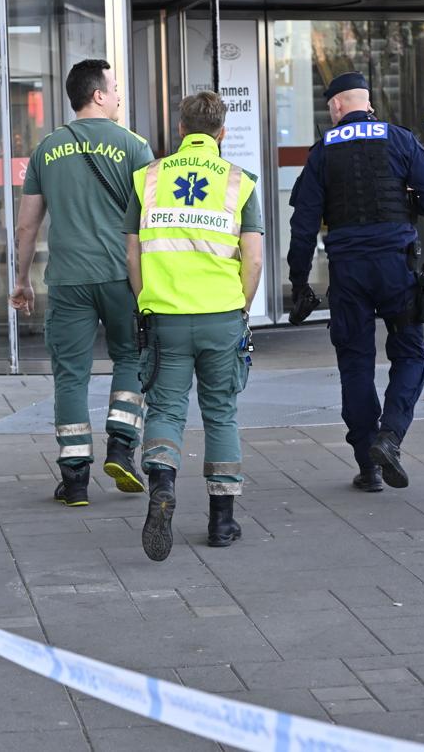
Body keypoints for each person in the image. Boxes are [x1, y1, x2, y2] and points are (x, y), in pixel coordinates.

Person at [286, 72, 424, 492]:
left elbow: (303, 225)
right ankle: (390, 437)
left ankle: (369, 466)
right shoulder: (400, 139)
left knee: (355, 364)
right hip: (397, 267)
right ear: (368, 103)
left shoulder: (323, 151)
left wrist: (299, 281)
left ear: (337, 106)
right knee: (411, 355)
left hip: (349, 272)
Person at [124, 92, 265, 562]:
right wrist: (241, 308)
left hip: (165, 316)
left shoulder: (147, 178)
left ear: (180, 129)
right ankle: (222, 523)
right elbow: (255, 257)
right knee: (220, 412)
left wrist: (147, 301)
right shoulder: (240, 183)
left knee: (164, 409)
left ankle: (162, 485)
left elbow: (133, 253)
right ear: (222, 132)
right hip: (221, 316)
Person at [10, 59, 155, 507]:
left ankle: (74, 478)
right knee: (130, 358)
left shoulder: (47, 149)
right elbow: (150, 223)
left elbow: (26, 227)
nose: (117, 96)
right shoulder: (135, 146)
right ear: (97, 95)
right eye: (114, 88)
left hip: (69, 279)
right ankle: (121, 448)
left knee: (70, 375)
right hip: (121, 277)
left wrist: (21, 280)